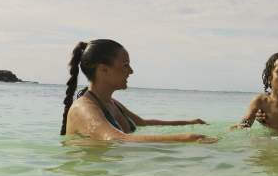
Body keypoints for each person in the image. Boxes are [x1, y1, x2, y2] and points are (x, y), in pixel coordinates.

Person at [61, 39, 215, 143]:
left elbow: (143, 123)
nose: (131, 71)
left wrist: (189, 123)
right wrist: (187, 138)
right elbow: (115, 139)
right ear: (103, 69)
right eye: (125, 65)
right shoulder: (83, 109)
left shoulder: (111, 103)